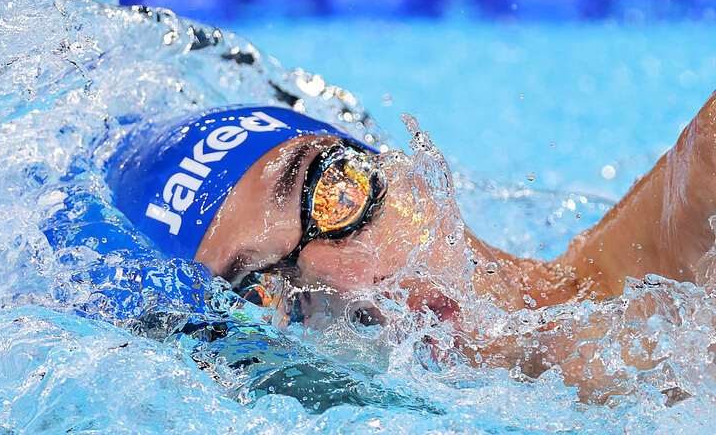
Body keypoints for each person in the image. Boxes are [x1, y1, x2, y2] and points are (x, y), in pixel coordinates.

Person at [102, 93, 716, 402]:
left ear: (402, 169)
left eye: (332, 195)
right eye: (262, 291)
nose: (355, 285)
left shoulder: (691, 238)